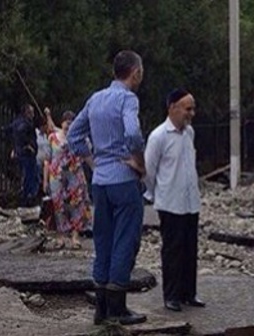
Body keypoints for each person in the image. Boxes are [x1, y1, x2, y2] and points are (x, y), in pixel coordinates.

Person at [67, 50, 147, 326]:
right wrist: (138, 162)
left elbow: (73, 134)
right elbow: (133, 133)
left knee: (102, 240)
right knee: (126, 239)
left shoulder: (96, 98)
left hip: (100, 180)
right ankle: (118, 308)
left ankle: (100, 309)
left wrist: (92, 161)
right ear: (135, 73)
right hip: (124, 179)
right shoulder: (128, 99)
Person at [143, 88, 204, 312]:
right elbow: (149, 170)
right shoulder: (159, 136)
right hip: (170, 202)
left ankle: (190, 292)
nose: (191, 113)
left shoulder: (189, 133)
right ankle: (172, 295)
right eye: (188, 108)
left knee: (190, 248)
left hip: (190, 201)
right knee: (172, 250)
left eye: (193, 108)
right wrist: (155, 193)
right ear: (173, 108)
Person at [43, 110, 92, 250]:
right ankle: (60, 237)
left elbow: (87, 154)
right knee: (58, 207)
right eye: (66, 121)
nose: (68, 125)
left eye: (71, 122)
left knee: (76, 207)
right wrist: (45, 181)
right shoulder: (52, 138)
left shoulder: (80, 138)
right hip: (57, 177)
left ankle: (75, 237)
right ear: (61, 122)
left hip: (74, 177)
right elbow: (47, 160)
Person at [3, 104, 40, 207]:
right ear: (27, 112)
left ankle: (25, 198)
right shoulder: (26, 124)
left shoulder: (16, 122)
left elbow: (7, 131)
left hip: (20, 153)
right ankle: (27, 200)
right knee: (29, 178)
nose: (33, 114)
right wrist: (28, 146)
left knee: (25, 177)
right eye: (31, 112)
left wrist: (14, 147)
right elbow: (22, 133)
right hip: (27, 155)